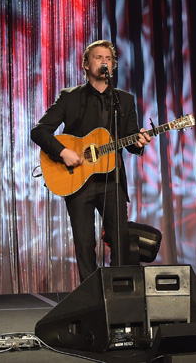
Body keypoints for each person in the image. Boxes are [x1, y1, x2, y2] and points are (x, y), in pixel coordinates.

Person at [31, 40, 151, 281]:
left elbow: (129, 142)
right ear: (85, 65)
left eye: (108, 58)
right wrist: (63, 151)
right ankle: (91, 297)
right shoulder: (70, 97)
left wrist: (138, 144)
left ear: (113, 66)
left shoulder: (123, 101)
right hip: (78, 181)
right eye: (98, 57)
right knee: (85, 244)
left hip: (112, 180)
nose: (104, 61)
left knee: (120, 241)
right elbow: (39, 131)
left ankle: (118, 290)